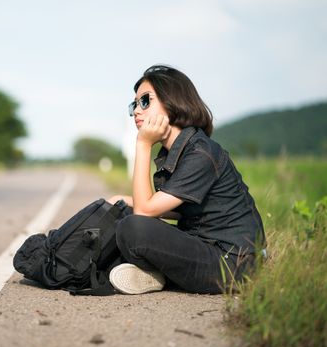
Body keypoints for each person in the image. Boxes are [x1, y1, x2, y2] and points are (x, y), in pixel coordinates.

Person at [107, 65, 266, 295]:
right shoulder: (176, 152)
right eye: (134, 105)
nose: (136, 112)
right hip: (206, 247)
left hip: (235, 263)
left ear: (172, 100)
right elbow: (183, 210)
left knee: (134, 227)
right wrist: (125, 201)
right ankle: (156, 274)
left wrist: (142, 145)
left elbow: (144, 213)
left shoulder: (201, 153)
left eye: (145, 101)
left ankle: (157, 274)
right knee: (122, 212)